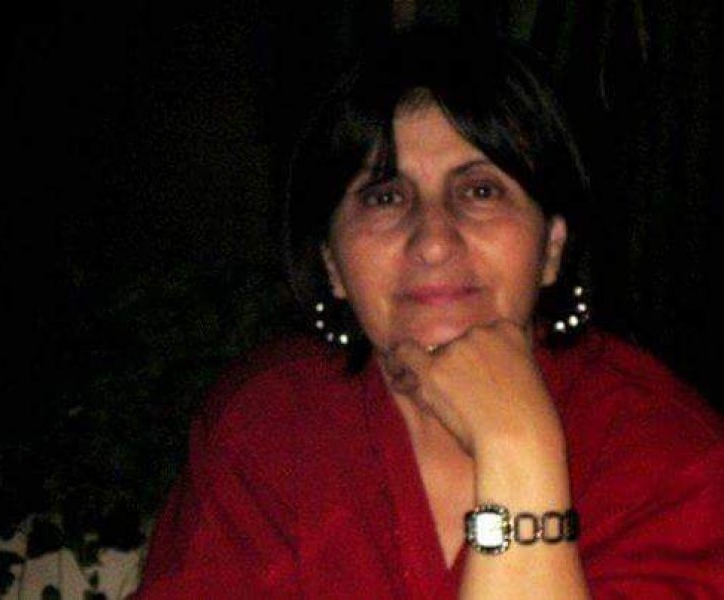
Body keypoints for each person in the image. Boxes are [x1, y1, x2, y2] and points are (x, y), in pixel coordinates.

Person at [134, 29, 724, 598]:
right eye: (385, 197)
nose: (434, 241)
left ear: (551, 247)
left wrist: (518, 449)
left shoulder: (664, 451)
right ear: (332, 263)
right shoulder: (270, 426)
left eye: (481, 191)